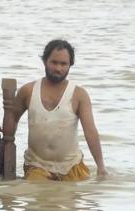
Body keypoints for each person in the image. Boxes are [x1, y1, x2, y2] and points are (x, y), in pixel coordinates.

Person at [12, 39, 107, 181]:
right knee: (35, 195)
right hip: (37, 165)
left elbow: (90, 131)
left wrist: (101, 166)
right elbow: (12, 120)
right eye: (54, 62)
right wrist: (6, 156)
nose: (58, 68)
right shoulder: (28, 91)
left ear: (70, 65)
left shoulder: (79, 94)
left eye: (63, 64)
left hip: (72, 166)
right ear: (45, 61)